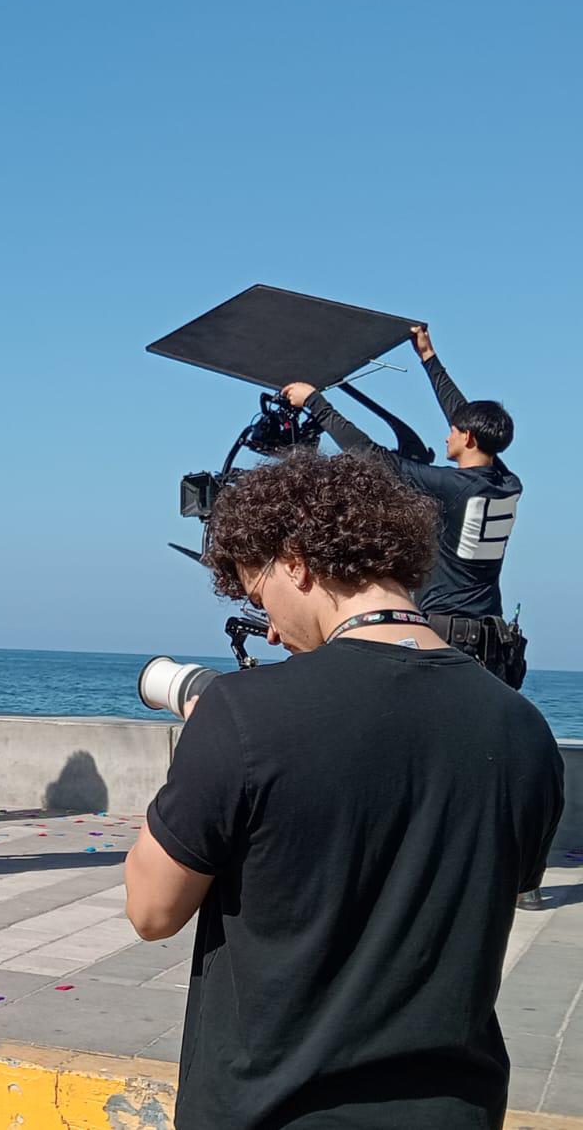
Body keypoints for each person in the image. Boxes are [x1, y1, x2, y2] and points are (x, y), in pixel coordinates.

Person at [124, 449, 563, 1130]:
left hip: (270, 1110)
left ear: (295, 559)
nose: (266, 625)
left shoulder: (242, 714)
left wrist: (208, 736)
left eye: (256, 589)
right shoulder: (523, 728)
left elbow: (152, 910)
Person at [282, 324, 524, 685]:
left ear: (468, 438)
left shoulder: (451, 486)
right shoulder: (507, 483)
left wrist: (315, 402)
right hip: (491, 642)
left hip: (450, 641)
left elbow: (371, 456)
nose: (447, 433)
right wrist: (428, 357)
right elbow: (462, 413)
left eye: (455, 431)